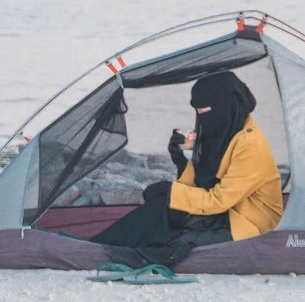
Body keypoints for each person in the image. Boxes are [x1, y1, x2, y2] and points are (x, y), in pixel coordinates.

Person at [90, 71, 283, 267]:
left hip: (249, 226)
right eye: (197, 112)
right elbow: (204, 183)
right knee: (161, 207)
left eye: (205, 111)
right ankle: (98, 245)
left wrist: (171, 190)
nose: (201, 118)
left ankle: (95, 251)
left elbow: (218, 199)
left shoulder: (250, 145)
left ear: (225, 106)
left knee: (173, 238)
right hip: (225, 214)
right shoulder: (226, 131)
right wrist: (181, 161)